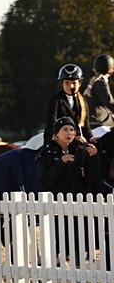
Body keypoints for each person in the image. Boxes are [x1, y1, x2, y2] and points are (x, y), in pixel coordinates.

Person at [37, 116, 100, 265]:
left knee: (79, 248)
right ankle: (44, 282)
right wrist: (60, 163)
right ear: (56, 134)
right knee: (54, 250)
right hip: (57, 211)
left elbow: (91, 180)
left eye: (72, 129)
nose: (70, 133)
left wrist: (93, 158)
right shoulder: (46, 153)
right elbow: (44, 183)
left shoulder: (80, 151)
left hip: (79, 209)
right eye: (65, 129)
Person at [44, 63, 92, 145]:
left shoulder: (82, 101)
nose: (71, 86)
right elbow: (51, 125)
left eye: (74, 83)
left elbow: (85, 126)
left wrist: (91, 138)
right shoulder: (55, 100)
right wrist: (72, 138)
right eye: (67, 83)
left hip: (77, 141)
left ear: (79, 83)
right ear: (62, 83)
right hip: (57, 141)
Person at [84, 54, 114, 129]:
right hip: (101, 125)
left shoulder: (94, 81)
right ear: (111, 69)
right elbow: (110, 103)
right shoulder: (101, 84)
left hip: (94, 124)